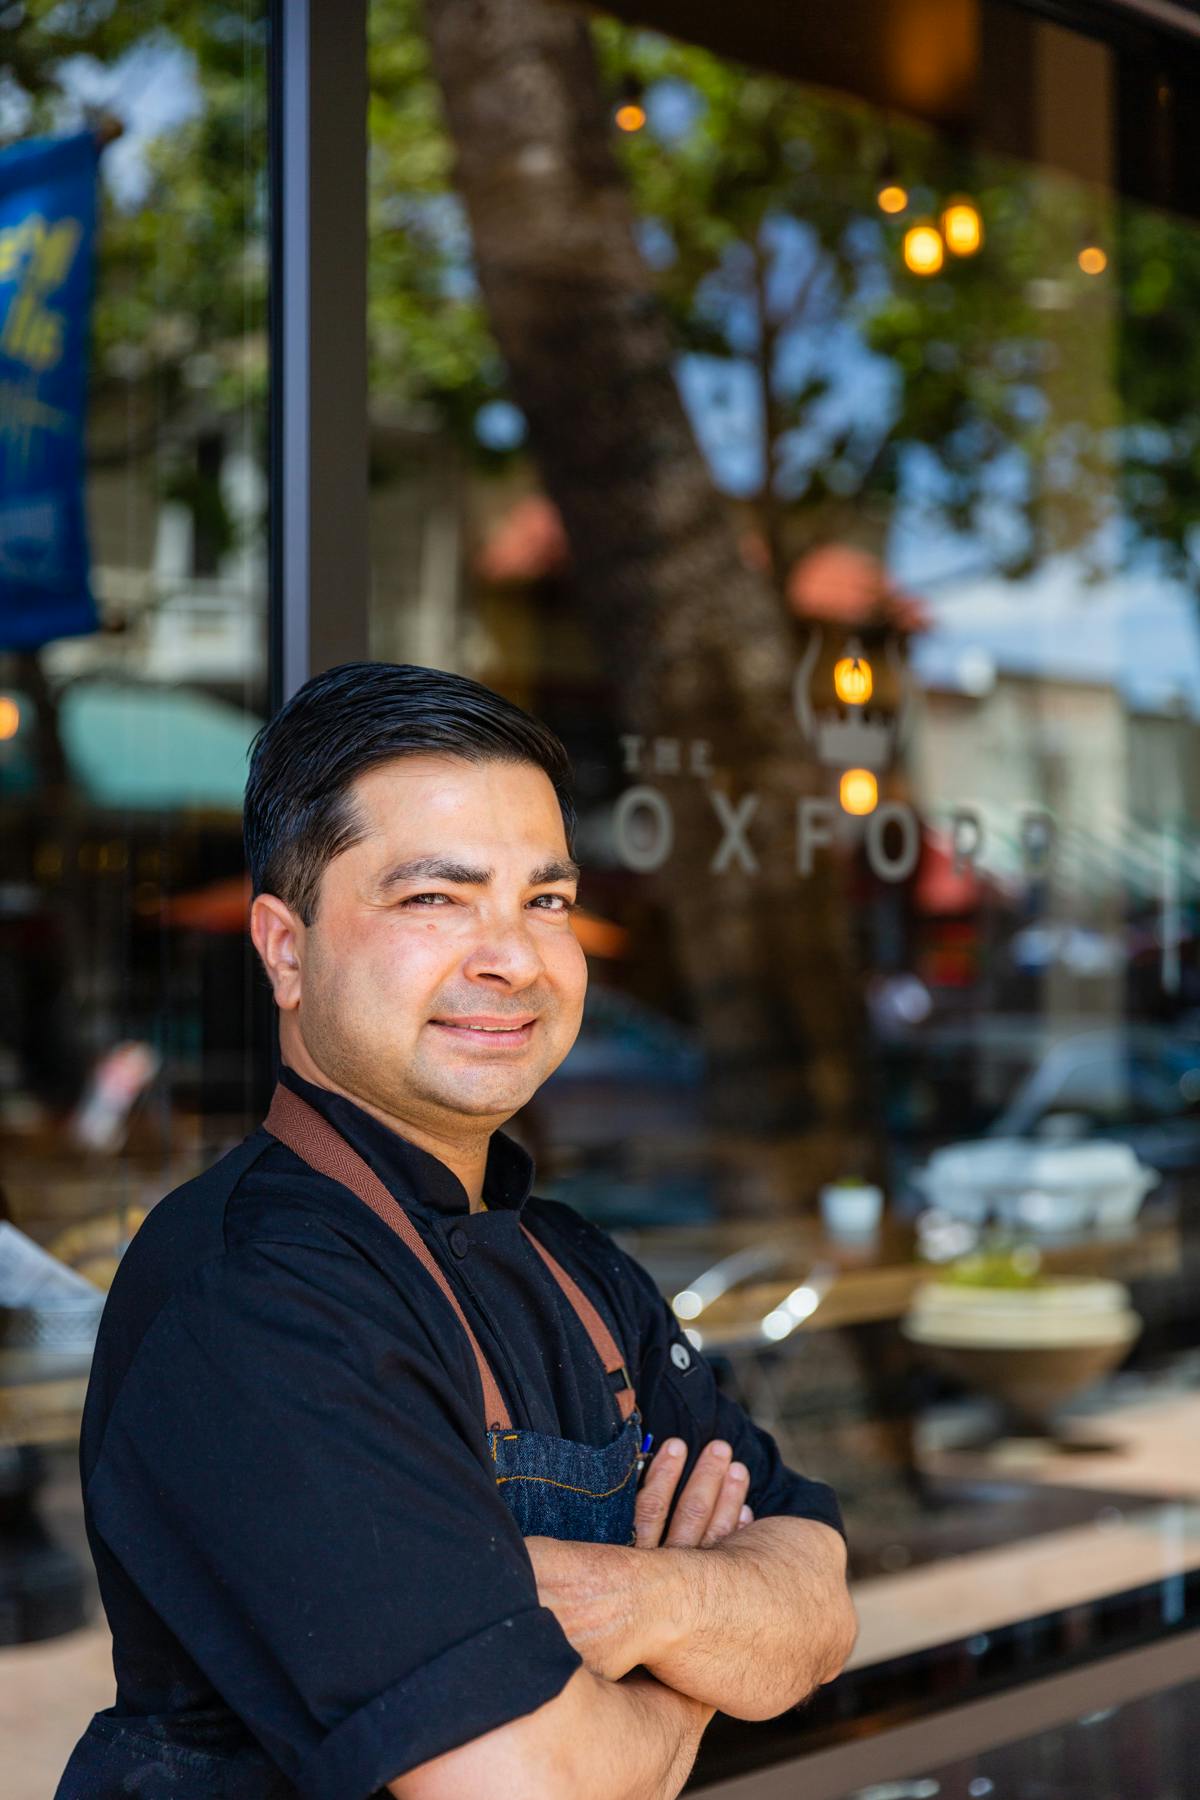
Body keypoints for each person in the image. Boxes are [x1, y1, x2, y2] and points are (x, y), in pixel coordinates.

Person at [57, 663, 855, 1800]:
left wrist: (628, 1597)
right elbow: (520, 1782)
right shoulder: (253, 1296)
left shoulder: (580, 1268)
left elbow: (819, 1603)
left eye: (546, 900)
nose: (515, 957)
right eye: (435, 898)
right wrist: (697, 1667)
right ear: (286, 950)